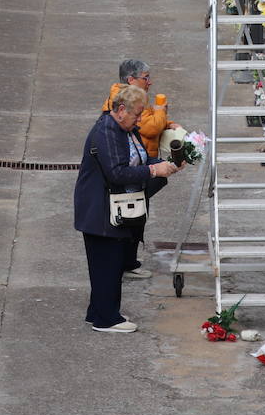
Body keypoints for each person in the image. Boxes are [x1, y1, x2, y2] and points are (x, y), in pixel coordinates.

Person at [74, 85, 185, 333]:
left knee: (110, 263)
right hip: (100, 210)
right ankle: (106, 319)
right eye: (137, 114)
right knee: (107, 263)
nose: (139, 120)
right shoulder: (107, 132)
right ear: (121, 110)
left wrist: (166, 164)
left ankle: (100, 312)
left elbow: (141, 160)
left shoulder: (124, 129)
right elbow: (117, 172)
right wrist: (154, 170)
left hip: (110, 208)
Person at [99, 59, 179, 281]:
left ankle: (128, 261)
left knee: (137, 213)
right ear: (130, 79)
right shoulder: (125, 100)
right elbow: (151, 126)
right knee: (130, 214)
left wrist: (167, 121)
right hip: (134, 168)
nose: (149, 82)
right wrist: (162, 113)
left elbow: (151, 118)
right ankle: (126, 263)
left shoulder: (134, 97)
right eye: (145, 78)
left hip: (142, 162)